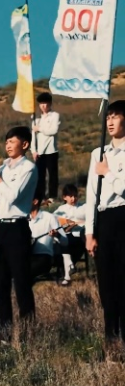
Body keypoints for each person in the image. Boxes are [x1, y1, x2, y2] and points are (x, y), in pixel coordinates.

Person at [0, 126, 38, 343]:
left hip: (17, 228)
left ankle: (28, 335)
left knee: (22, 284)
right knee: (0, 285)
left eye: (12, 141)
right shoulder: (0, 168)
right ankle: (4, 336)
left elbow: (14, 196)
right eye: (6, 141)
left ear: (24, 144)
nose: (8, 145)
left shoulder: (29, 168)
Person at [87, 100, 125, 360]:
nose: (110, 121)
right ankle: (111, 339)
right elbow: (92, 195)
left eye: (116, 116)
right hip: (104, 219)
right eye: (108, 117)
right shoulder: (97, 153)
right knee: (106, 283)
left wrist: (108, 172)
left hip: (123, 215)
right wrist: (90, 233)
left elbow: (123, 188)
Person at [53, 183, 86, 286]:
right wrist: (67, 225)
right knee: (63, 240)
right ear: (64, 197)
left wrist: (77, 223)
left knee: (75, 243)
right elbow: (56, 222)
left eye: (75, 196)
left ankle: (67, 273)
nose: (73, 199)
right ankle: (69, 269)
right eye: (70, 196)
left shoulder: (83, 207)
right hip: (67, 235)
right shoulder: (61, 210)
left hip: (80, 235)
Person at [32, 93, 61, 204]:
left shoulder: (55, 115)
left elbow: (53, 130)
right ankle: (41, 197)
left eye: (46, 103)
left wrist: (40, 129)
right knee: (40, 176)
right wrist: (33, 151)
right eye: (41, 104)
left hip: (51, 151)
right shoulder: (36, 119)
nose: (44, 106)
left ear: (50, 103)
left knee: (52, 175)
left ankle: (52, 197)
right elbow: (33, 136)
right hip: (39, 152)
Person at [28, 197, 59, 283]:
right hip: (27, 256)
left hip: (44, 257)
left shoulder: (49, 217)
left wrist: (56, 235)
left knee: (23, 272)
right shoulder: (23, 219)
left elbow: (65, 241)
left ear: (35, 201)